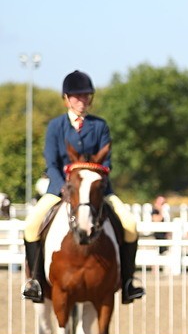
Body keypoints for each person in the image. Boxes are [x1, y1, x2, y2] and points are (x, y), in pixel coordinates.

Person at [22, 70, 144, 304]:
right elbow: (52, 162)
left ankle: (129, 282)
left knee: (130, 224)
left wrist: (97, 184)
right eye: (77, 97)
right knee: (31, 225)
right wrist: (62, 189)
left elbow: (106, 163)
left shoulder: (100, 126)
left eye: (86, 96)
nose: (82, 101)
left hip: (97, 190)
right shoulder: (56, 127)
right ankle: (36, 282)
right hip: (60, 189)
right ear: (66, 98)